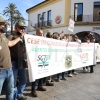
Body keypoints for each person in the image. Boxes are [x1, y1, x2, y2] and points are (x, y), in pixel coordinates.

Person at [0, 16, 24, 100]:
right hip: (1, 71)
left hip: (9, 69)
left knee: (10, 91)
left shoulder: (2, 36)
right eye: (2, 24)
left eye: (4, 24)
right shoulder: (9, 35)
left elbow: (9, 43)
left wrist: (20, 38)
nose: (4, 26)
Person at [8, 20, 27, 100]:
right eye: (21, 28)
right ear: (15, 28)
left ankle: (19, 94)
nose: (23, 30)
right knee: (13, 82)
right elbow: (7, 45)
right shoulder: (10, 36)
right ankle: (15, 97)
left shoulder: (23, 37)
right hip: (14, 62)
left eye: (23, 28)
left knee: (23, 81)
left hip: (22, 62)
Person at [31, 29, 46, 97]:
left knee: (42, 73)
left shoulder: (44, 40)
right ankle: (33, 90)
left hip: (43, 58)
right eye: (40, 33)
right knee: (35, 76)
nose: (41, 34)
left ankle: (40, 86)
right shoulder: (33, 40)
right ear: (36, 34)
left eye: (42, 33)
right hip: (35, 60)